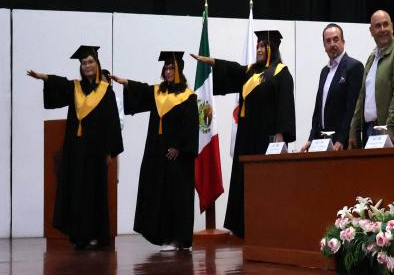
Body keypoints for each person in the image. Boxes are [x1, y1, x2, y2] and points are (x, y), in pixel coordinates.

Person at [191, 30, 296, 238]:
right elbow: (231, 69)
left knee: (265, 182)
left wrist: (280, 135)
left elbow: (285, 106)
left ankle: (266, 227)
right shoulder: (249, 72)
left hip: (267, 138)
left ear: (272, 48)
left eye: (263, 46)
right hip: (246, 136)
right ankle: (244, 226)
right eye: (257, 46)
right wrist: (211, 61)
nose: (259, 49)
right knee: (244, 179)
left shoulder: (281, 73)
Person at [27, 45, 124, 250]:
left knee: (94, 191)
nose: (87, 66)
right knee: (76, 189)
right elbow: (60, 84)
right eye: (83, 63)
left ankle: (95, 234)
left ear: (97, 64)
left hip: (96, 151)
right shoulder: (75, 87)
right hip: (75, 149)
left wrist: (110, 151)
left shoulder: (106, 91)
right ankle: (79, 235)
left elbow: (112, 122)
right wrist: (44, 77)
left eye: (90, 62)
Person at [110, 52, 199, 251]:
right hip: (157, 153)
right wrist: (125, 82)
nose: (168, 72)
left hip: (177, 158)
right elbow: (141, 90)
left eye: (172, 68)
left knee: (177, 196)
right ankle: (164, 237)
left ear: (179, 70)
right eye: (166, 68)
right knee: (159, 193)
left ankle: (178, 239)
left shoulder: (188, 96)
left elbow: (191, 126)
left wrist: (179, 147)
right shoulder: (158, 92)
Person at [349, 10, 394, 147]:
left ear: (392, 27)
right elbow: (362, 96)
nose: (383, 29)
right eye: (378, 26)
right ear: (371, 31)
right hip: (370, 130)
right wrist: (354, 129)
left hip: (389, 132)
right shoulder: (372, 58)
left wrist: (389, 127)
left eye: (386, 24)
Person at [300, 24, 364, 152]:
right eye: (328, 41)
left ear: (343, 41)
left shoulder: (354, 67)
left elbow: (352, 108)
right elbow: (318, 109)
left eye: (336, 39)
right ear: (324, 46)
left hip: (343, 143)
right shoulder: (324, 71)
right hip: (322, 141)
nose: (332, 44)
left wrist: (342, 139)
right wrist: (311, 138)